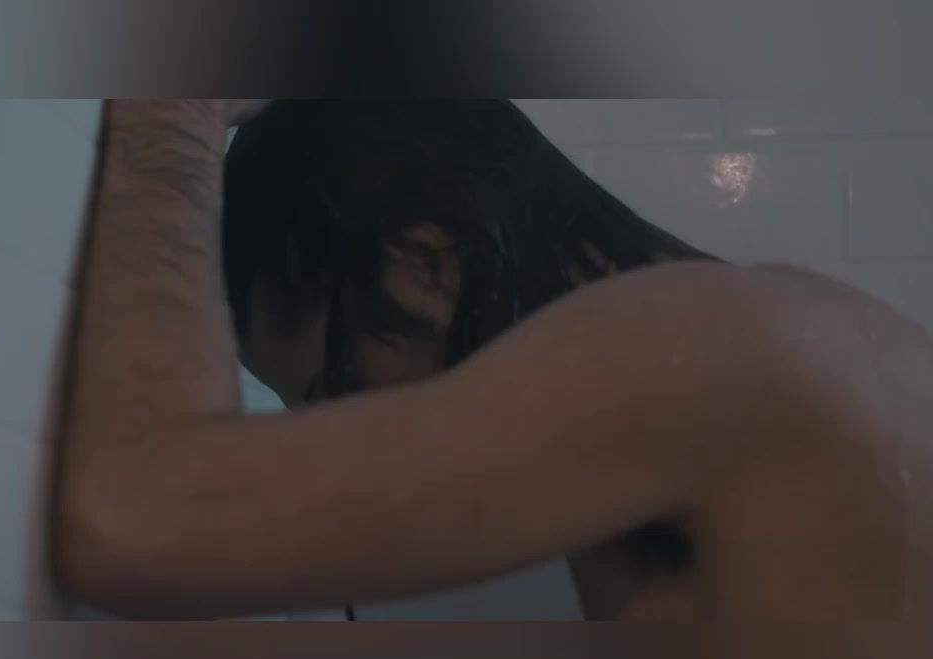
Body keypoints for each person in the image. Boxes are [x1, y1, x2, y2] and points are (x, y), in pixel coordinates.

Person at [53, 99, 932, 622]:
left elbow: (135, 518)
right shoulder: (773, 345)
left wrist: (170, 121)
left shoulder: (689, 346)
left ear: (426, 264)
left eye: (327, 391)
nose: (325, 438)